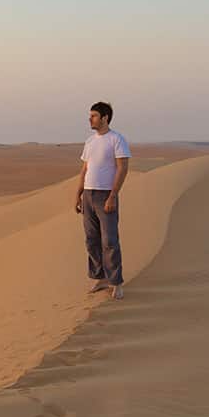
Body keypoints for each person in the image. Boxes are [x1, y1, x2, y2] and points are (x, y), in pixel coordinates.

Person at [75, 101, 130, 298]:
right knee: (91, 240)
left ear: (105, 118)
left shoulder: (116, 139)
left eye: (94, 116)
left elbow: (123, 168)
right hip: (88, 195)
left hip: (105, 195)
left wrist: (113, 196)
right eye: (90, 115)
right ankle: (101, 277)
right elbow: (84, 169)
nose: (90, 119)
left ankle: (116, 282)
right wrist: (78, 194)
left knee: (110, 240)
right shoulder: (90, 141)